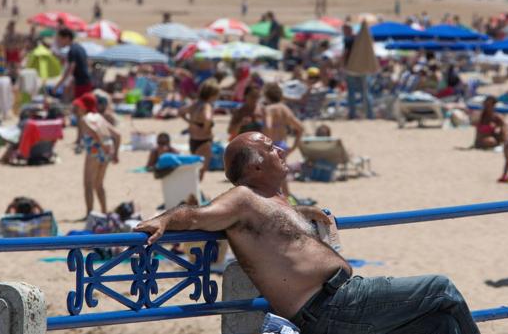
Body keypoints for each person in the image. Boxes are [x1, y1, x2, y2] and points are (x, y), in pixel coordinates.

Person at [135, 132, 481, 334]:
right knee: (441, 289)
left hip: (343, 300)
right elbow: (198, 215)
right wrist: (164, 220)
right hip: (333, 304)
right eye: (271, 148)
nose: (281, 150)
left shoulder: (269, 201)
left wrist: (304, 212)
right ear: (255, 165)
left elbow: (271, 226)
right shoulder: (242, 198)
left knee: (439, 324)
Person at [74, 93, 120, 219]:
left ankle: (90, 214)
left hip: (95, 150)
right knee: (99, 184)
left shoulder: (84, 119)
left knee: (88, 183)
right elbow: (117, 134)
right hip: (107, 151)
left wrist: (101, 143)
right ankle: (104, 212)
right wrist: (115, 154)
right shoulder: (99, 117)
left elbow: (93, 132)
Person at [263, 83, 303, 196]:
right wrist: (293, 147)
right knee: (282, 178)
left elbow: (268, 126)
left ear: (267, 96)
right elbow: (300, 128)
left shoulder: (269, 109)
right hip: (282, 145)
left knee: (270, 178)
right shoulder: (284, 109)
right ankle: (288, 200)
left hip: (272, 146)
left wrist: (266, 145)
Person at [180, 79, 220, 181]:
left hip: (193, 140)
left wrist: (190, 122)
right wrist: (207, 128)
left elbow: (180, 111)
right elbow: (207, 118)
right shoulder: (207, 105)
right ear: (213, 94)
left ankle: (194, 193)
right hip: (204, 141)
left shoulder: (195, 104)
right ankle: (194, 193)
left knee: (195, 169)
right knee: (201, 171)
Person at [53, 28, 93, 99]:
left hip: (81, 84)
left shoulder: (72, 50)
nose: (59, 42)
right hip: (87, 82)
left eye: (60, 39)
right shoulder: (80, 47)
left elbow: (70, 70)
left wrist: (57, 86)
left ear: (67, 38)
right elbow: (87, 64)